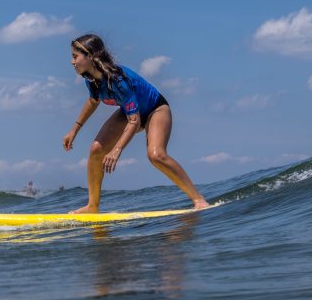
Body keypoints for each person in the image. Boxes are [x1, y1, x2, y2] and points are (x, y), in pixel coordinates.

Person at [63, 34, 209, 213]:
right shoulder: (91, 79)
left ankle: (199, 200)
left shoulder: (118, 80)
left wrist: (116, 150)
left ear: (91, 56)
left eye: (75, 56)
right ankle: (92, 206)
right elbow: (93, 101)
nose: (72, 62)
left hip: (155, 109)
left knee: (156, 155)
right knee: (96, 150)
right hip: (130, 112)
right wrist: (74, 130)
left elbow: (135, 121)